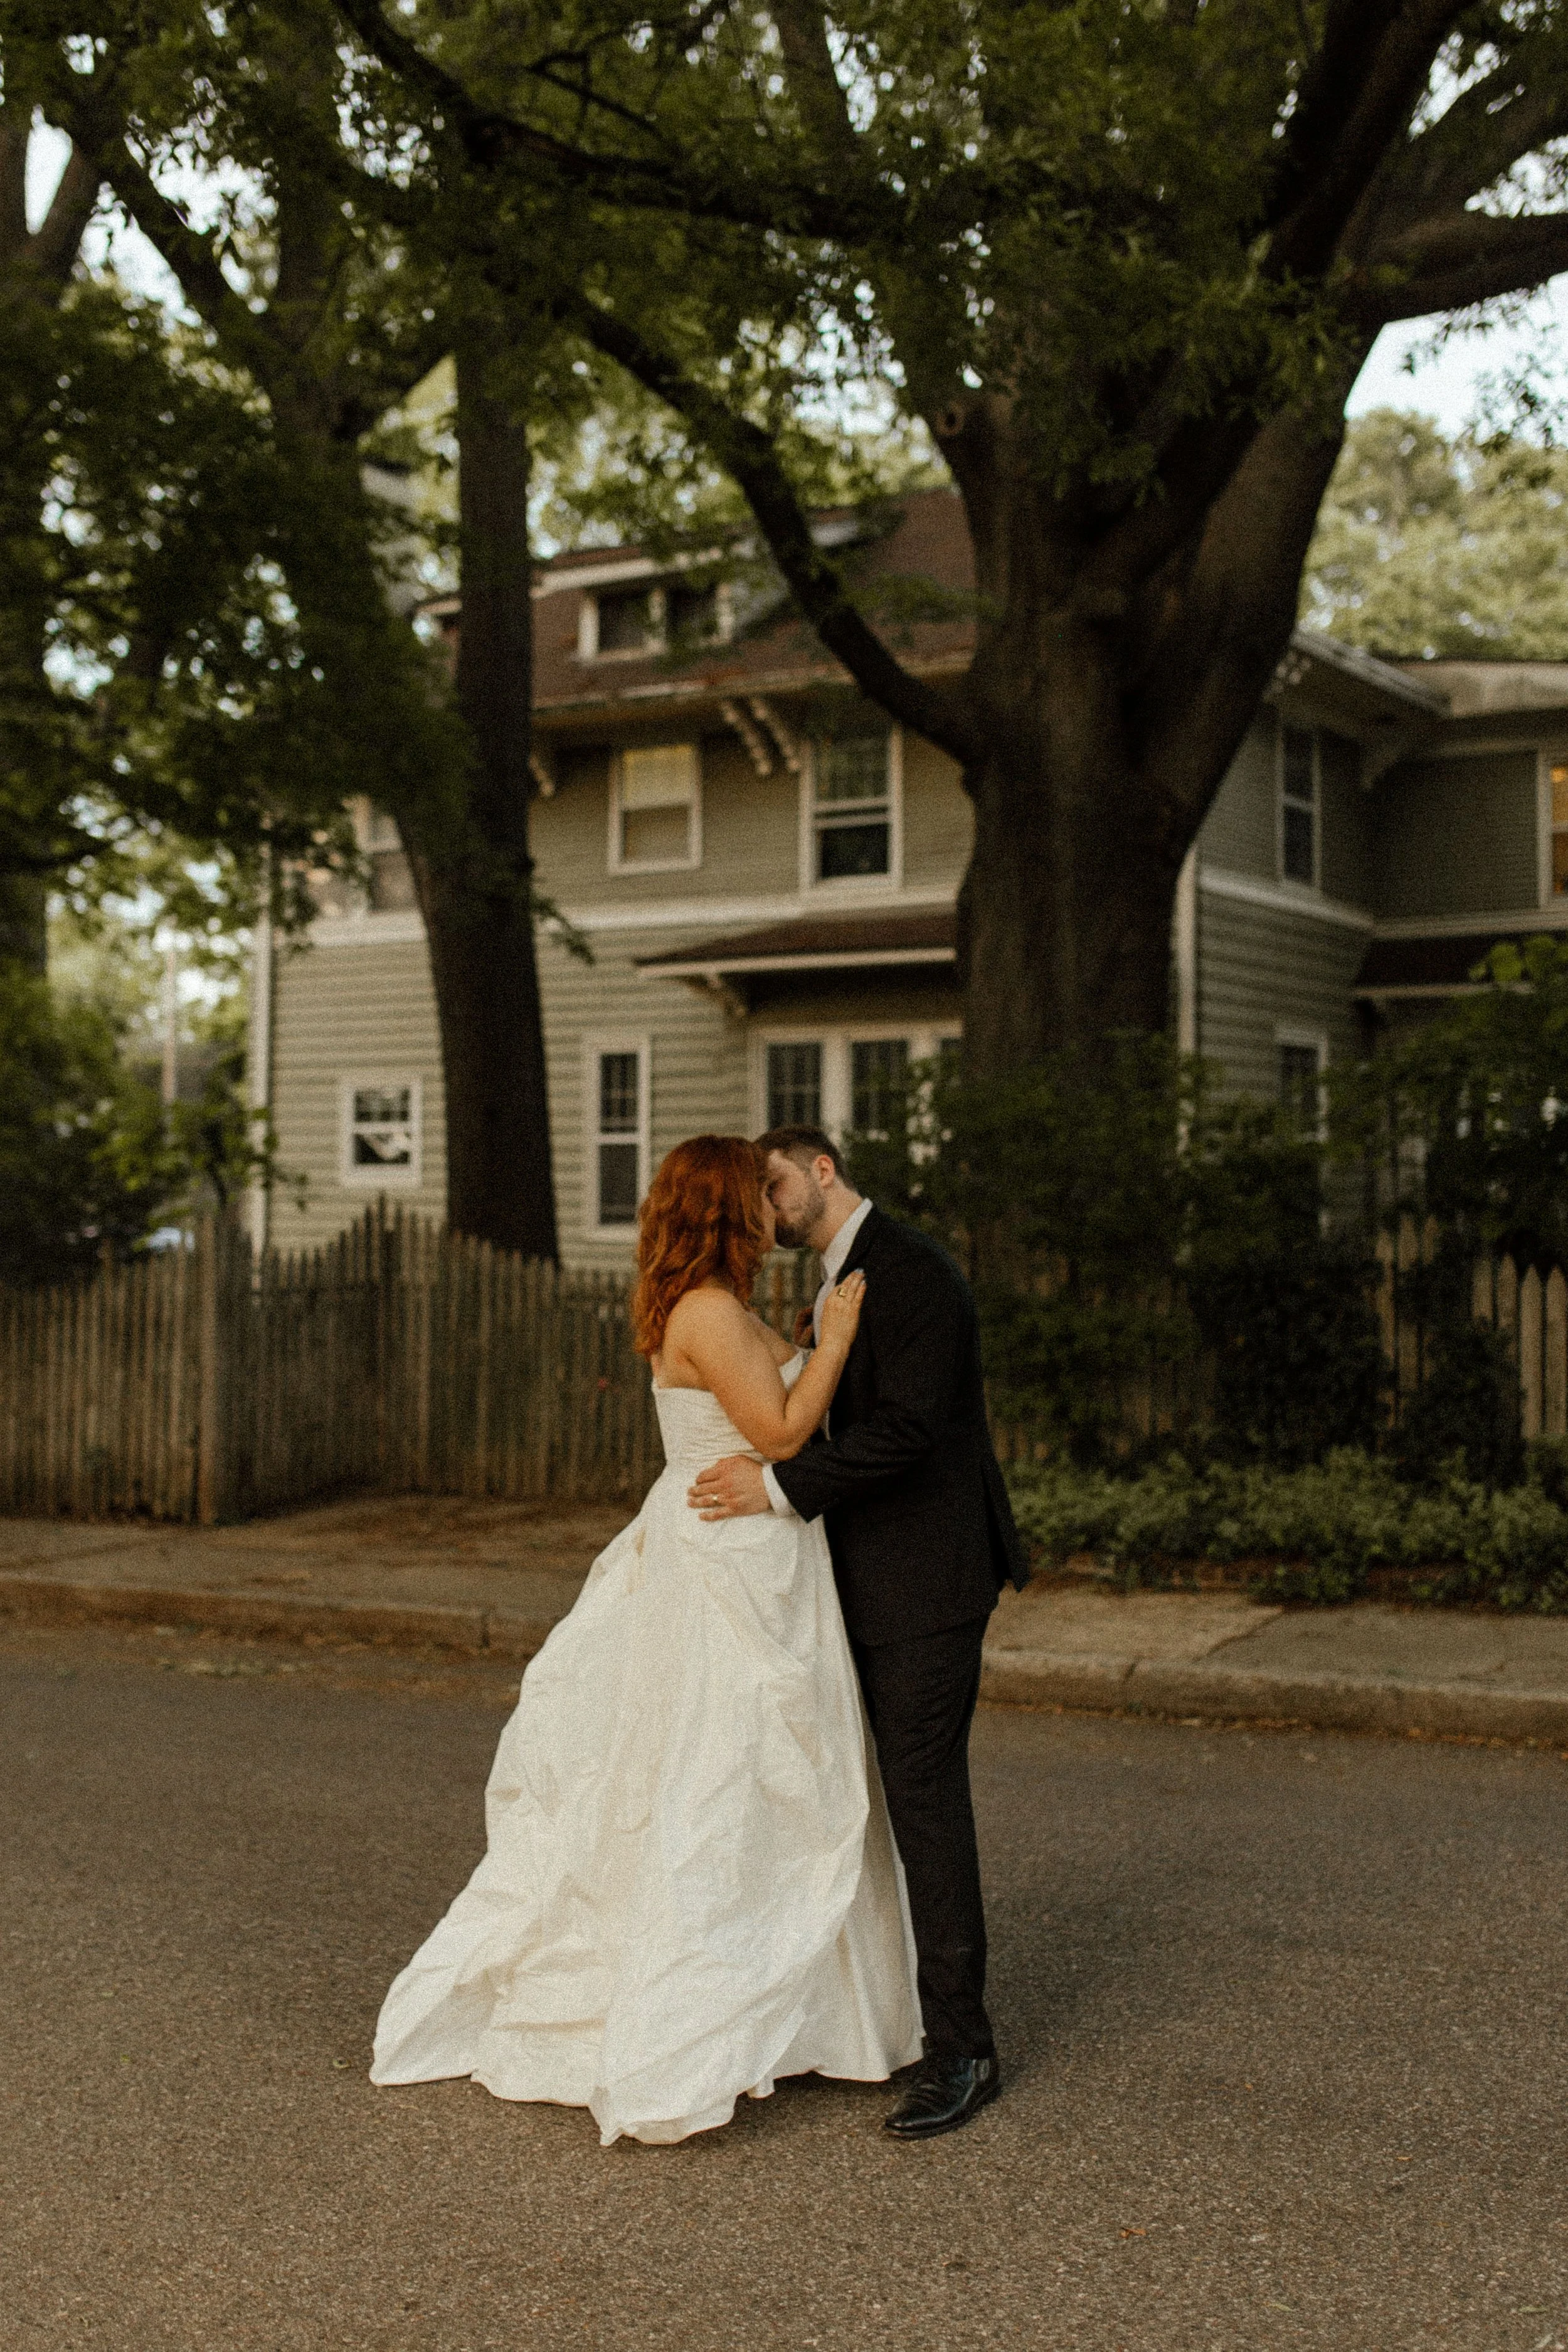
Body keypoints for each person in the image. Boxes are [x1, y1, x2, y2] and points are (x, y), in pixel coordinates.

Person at [369, 1135, 921, 2146]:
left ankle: (801, 2011)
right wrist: (833, 1343)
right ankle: (700, 2010)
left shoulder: (720, 1304)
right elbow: (783, 1433)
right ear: (726, 1207)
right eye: (757, 1193)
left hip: (758, 1557)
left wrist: (803, 1341)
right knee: (722, 1776)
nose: (772, 1206)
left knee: (763, 1776)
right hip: (728, 1563)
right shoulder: (707, 1312)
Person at [689, 1126, 1029, 2141]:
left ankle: (965, 2051)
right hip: (874, 1578)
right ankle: (892, 2015)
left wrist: (780, 1483)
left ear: (822, 1171)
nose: (769, 1206)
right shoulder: (847, 1275)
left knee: (925, 1803)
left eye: (778, 1184)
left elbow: (913, 1428)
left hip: (928, 1580)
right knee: (884, 1799)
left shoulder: (910, 1268)